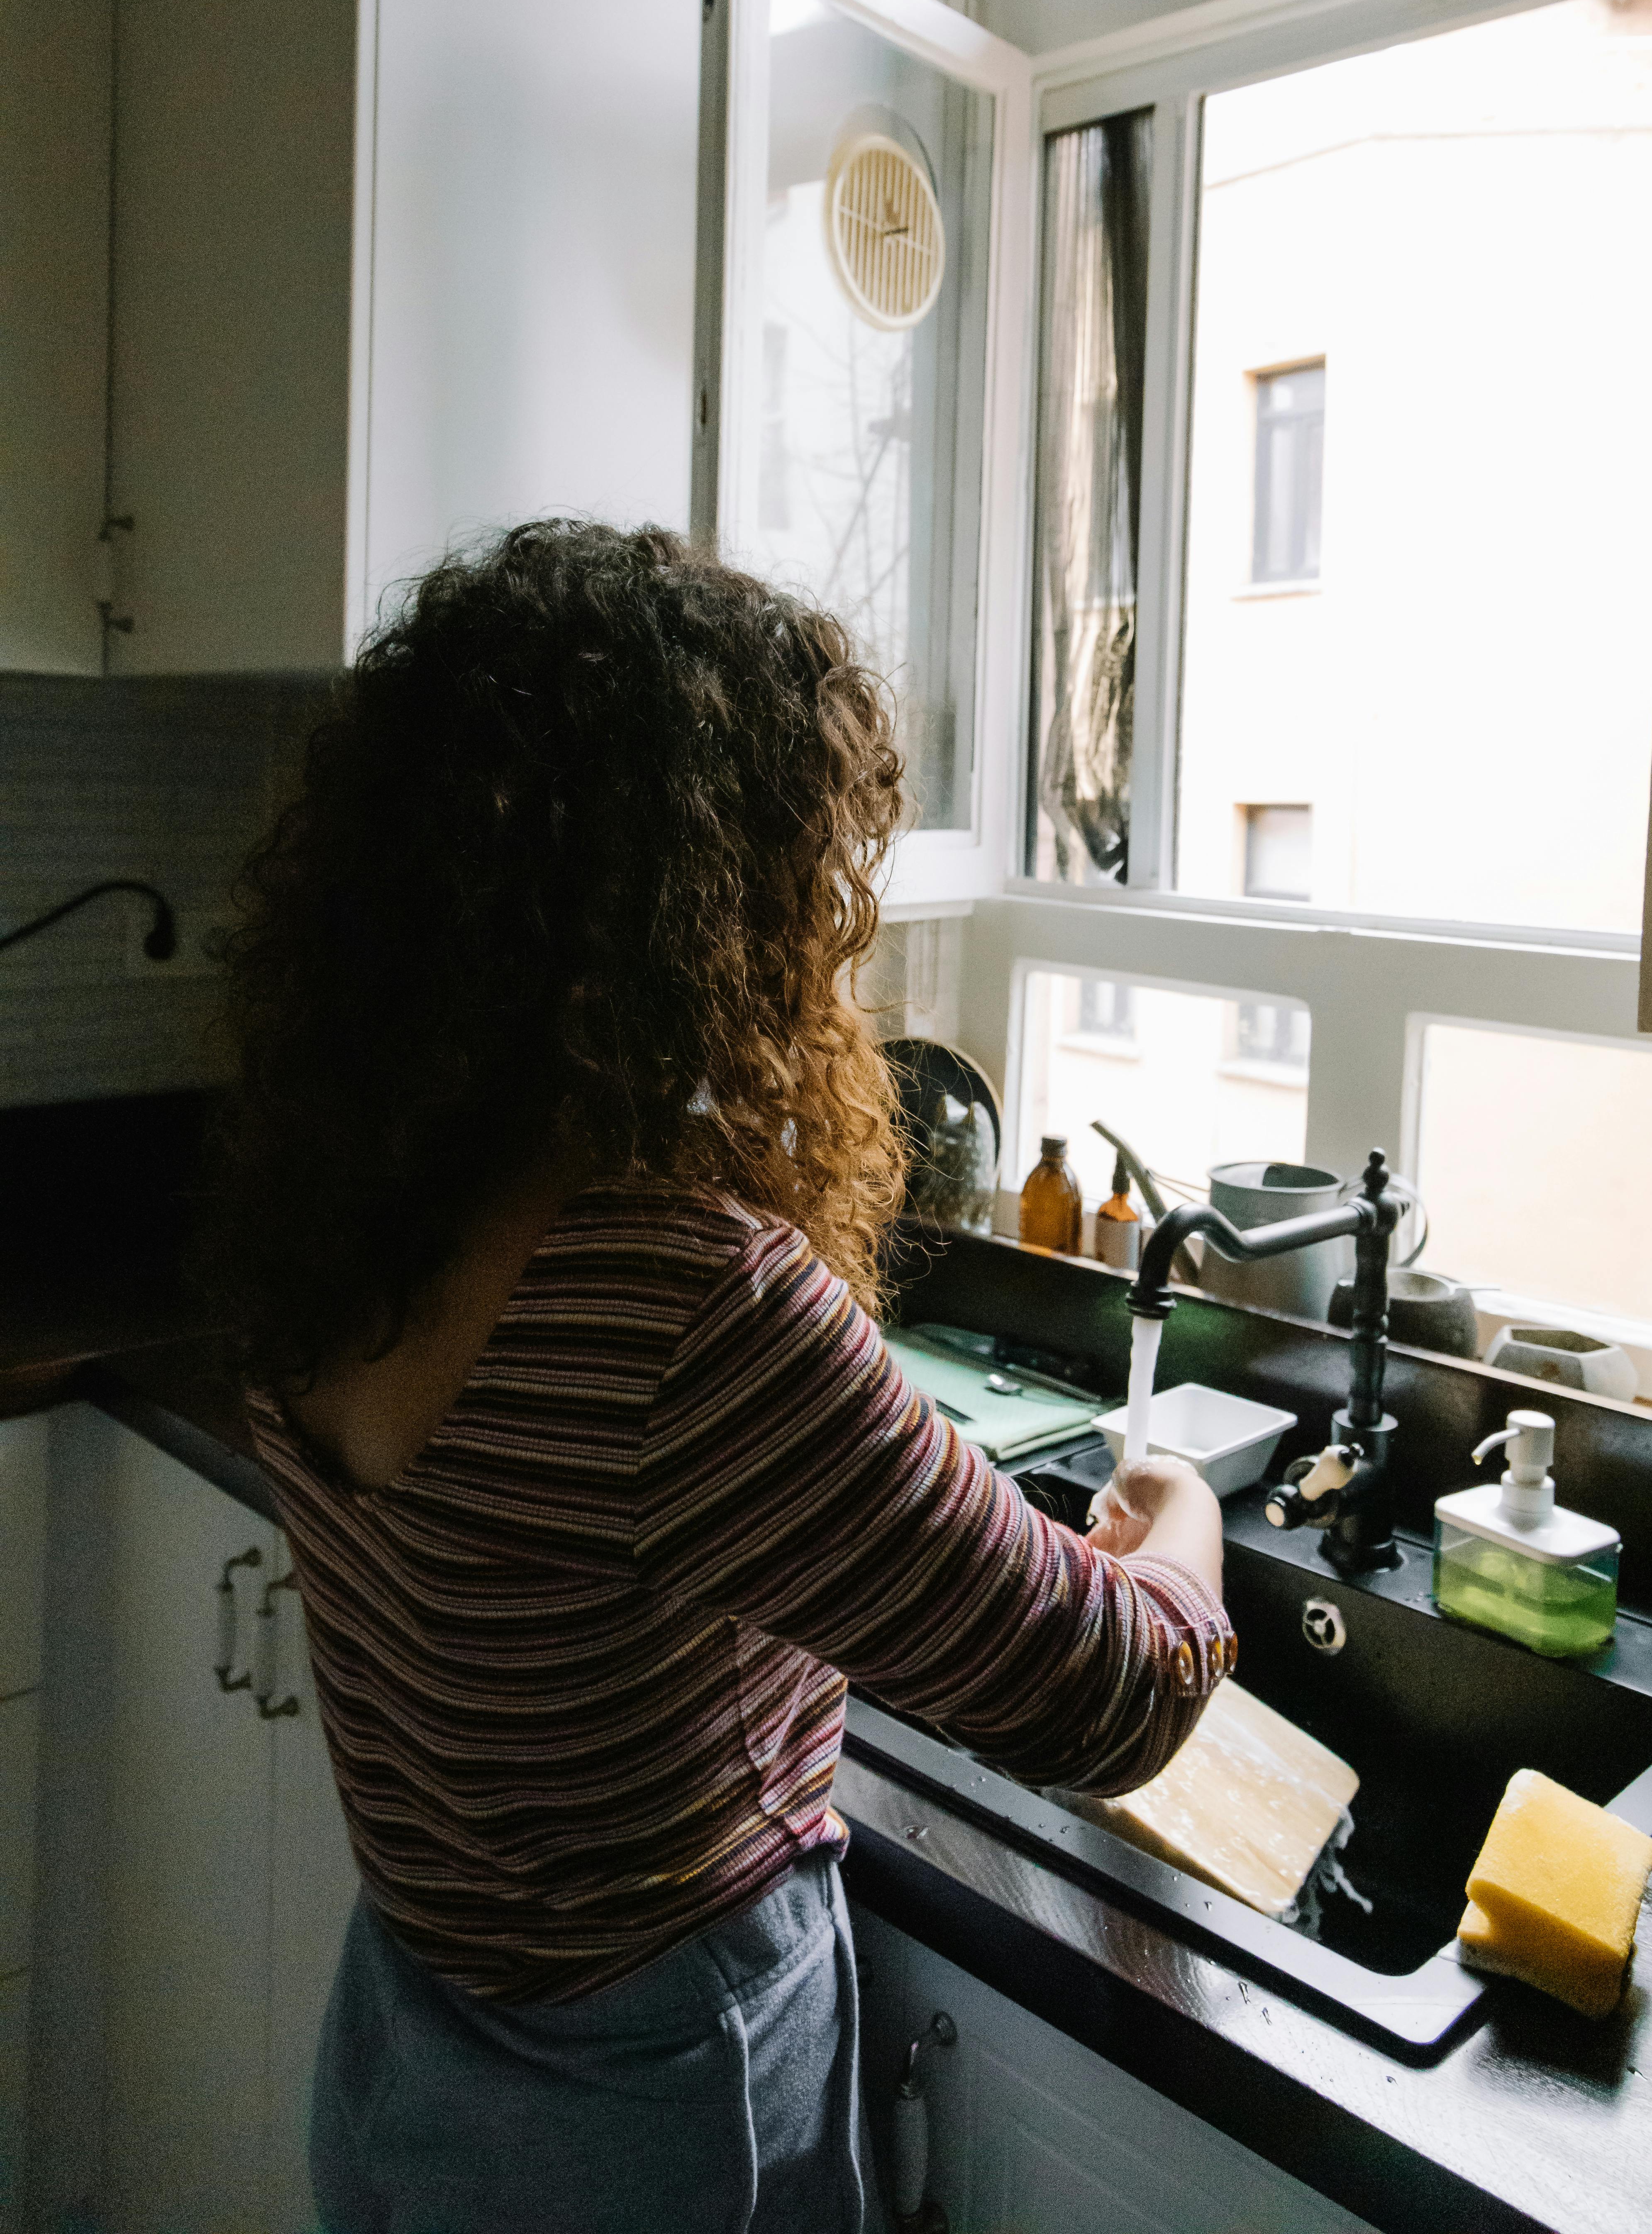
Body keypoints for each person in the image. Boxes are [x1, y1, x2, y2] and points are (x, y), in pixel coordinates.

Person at [206, 520, 1231, 2234]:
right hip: (652, 2096)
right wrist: (1184, 1527)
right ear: (696, 900)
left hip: (409, 2028)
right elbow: (1100, 1696)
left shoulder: (338, 1197)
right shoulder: (682, 1311)